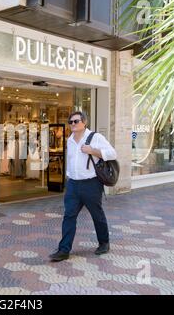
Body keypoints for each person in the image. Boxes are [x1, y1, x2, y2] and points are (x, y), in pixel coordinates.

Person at [49, 111, 117, 262]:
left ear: (84, 122)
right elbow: (71, 159)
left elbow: (113, 153)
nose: (72, 124)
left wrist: (92, 150)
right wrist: (68, 176)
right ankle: (64, 250)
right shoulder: (70, 140)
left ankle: (104, 242)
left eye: (76, 121)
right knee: (69, 216)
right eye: (70, 121)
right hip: (73, 184)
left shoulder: (95, 137)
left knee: (96, 214)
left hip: (91, 184)